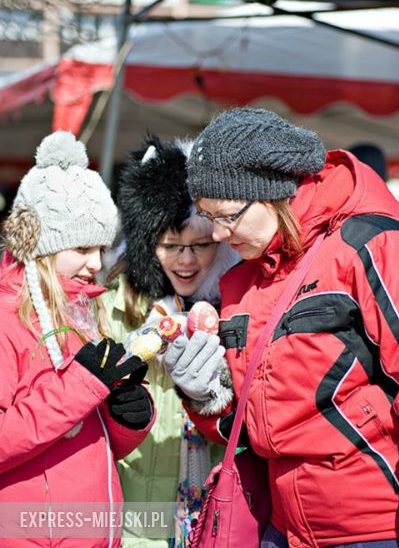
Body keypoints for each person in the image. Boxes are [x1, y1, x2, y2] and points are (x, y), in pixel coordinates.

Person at [164, 108, 399, 547]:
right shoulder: (241, 282)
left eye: (227, 215)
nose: (217, 235)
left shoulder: (367, 245)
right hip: (281, 528)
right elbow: (248, 428)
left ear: (270, 194)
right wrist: (203, 394)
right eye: (207, 216)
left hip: (373, 528)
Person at [0, 131, 154, 548]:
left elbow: (88, 441)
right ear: (43, 245)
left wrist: (127, 419)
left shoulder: (81, 309)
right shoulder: (5, 317)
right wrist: (82, 385)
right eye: (83, 247)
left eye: (101, 247)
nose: (96, 263)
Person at [102, 135, 239, 547]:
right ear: (147, 245)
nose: (185, 260)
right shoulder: (115, 306)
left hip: (210, 514)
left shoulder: (235, 307)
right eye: (170, 246)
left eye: (199, 245)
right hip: (133, 515)